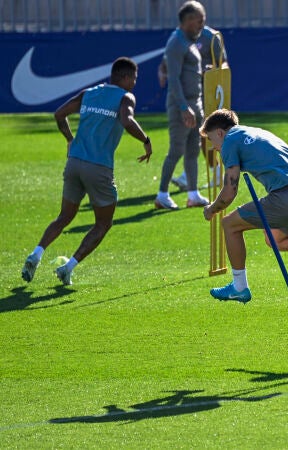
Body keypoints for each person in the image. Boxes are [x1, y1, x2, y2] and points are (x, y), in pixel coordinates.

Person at [21, 57, 153, 285]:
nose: (134, 83)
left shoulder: (89, 93)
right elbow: (127, 120)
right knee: (103, 223)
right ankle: (67, 268)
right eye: (134, 78)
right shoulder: (125, 97)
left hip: (74, 162)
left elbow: (59, 114)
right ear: (125, 77)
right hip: (98, 167)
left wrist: (70, 139)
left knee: (64, 216)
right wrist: (146, 140)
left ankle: (36, 253)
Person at [200, 109, 288, 303]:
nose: (214, 148)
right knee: (275, 239)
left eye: (211, 140)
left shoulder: (229, 142)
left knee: (229, 224)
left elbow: (229, 191)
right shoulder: (256, 132)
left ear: (220, 133)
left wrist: (211, 209)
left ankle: (239, 287)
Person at [157, 10, 228, 193]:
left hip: (209, 93)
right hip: (190, 94)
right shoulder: (179, 38)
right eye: (198, 20)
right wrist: (163, 70)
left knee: (205, 134)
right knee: (189, 140)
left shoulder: (211, 37)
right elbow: (168, 61)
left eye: (203, 20)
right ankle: (193, 178)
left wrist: (214, 71)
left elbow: (224, 64)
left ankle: (213, 171)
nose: (201, 24)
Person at [154, 1, 212, 210]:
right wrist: (183, 107)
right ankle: (162, 194)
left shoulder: (189, 42)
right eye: (199, 21)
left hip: (195, 103)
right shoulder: (176, 43)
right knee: (176, 150)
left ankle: (193, 194)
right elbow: (174, 79)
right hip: (183, 106)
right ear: (187, 21)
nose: (202, 26)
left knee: (193, 150)